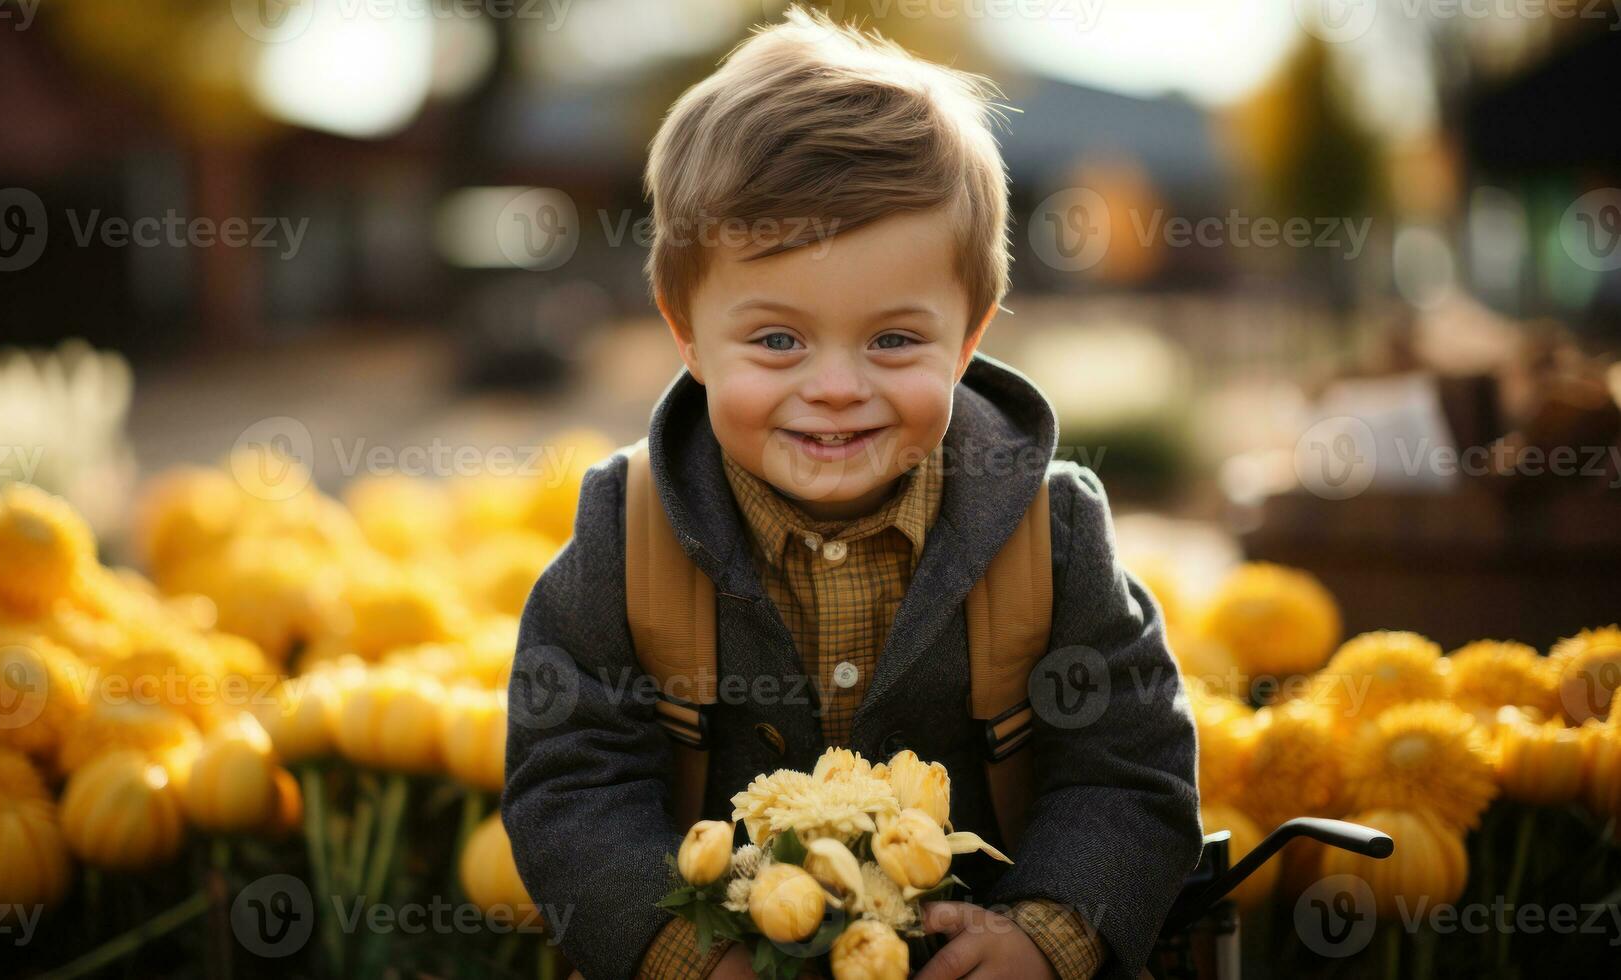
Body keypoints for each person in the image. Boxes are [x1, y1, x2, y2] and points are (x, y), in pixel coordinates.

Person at [503, 8, 1200, 979]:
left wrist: (1050, 931)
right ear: (687, 332)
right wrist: (679, 949)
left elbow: (1127, 768)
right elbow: (572, 786)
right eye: (779, 340)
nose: (836, 385)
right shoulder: (628, 534)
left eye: (894, 340)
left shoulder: (1049, 528)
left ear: (968, 336)